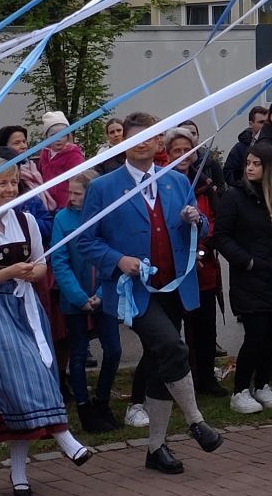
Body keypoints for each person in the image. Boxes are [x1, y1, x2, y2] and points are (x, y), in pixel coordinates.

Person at [79, 114, 222, 473]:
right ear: (122, 143)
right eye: (135, 138)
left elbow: (203, 227)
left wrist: (195, 220)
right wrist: (118, 259)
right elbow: (85, 241)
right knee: (173, 348)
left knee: (162, 362)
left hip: (173, 287)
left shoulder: (176, 180)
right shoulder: (103, 187)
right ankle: (196, 421)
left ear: (160, 142)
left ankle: (155, 448)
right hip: (134, 291)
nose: (143, 143)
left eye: (150, 137)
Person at [0, 157, 96, 496]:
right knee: (20, 375)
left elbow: (41, 265)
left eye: (14, 182)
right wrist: (8, 272)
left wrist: (30, 273)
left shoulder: (26, 221)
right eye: (3, 183)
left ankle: (19, 472)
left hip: (24, 306)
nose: (10, 189)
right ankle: (63, 436)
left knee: (37, 372)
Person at [214, 148, 272, 415]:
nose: (249, 168)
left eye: (256, 164)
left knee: (271, 335)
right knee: (255, 335)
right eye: (248, 163)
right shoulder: (235, 196)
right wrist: (246, 261)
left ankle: (262, 384)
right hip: (250, 277)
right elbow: (221, 236)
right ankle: (240, 390)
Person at [48, 174, 112, 430]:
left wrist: (102, 293)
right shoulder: (62, 219)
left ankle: (102, 400)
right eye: (70, 193)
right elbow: (59, 260)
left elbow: (111, 255)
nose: (71, 198)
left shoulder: (105, 215)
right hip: (74, 297)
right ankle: (84, 407)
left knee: (113, 349)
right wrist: (78, 297)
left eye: (77, 193)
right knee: (78, 352)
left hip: (104, 294)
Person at [166, 129, 226, 396]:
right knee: (173, 327)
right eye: (176, 151)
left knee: (205, 325)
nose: (183, 156)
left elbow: (213, 220)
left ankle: (206, 377)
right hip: (173, 266)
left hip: (203, 265)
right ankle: (176, 379)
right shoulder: (163, 183)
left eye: (187, 150)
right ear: (168, 154)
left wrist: (201, 250)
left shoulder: (204, 184)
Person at [35, 113, 85, 210]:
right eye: (53, 135)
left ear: (68, 136)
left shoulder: (73, 155)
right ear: (46, 137)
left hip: (66, 204)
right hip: (47, 201)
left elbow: (78, 181)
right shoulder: (45, 154)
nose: (58, 139)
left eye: (62, 135)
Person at [221, 104, 269, 185]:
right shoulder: (240, 148)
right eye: (261, 122)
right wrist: (245, 185)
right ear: (251, 124)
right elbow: (228, 173)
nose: (265, 126)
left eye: (267, 122)